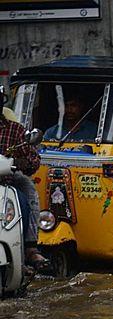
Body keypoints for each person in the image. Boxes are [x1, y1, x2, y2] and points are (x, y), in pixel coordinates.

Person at [0, 88, 47, 269]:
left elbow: (34, 160)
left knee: (29, 191)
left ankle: (30, 247)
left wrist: (20, 162)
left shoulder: (16, 130)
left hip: (9, 181)